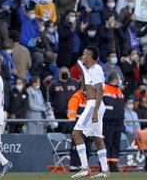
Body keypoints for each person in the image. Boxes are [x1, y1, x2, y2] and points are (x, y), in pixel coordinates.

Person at [71, 46, 109, 178]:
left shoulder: (96, 69)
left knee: (76, 133)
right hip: (93, 104)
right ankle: (105, 171)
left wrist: (95, 112)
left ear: (91, 57)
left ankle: (85, 168)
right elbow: (83, 89)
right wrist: (82, 71)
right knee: (97, 138)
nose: (82, 56)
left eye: (85, 54)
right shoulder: (89, 70)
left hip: (94, 105)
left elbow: (100, 91)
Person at [102, 72, 125, 172]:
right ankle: (104, 165)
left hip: (118, 123)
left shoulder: (118, 90)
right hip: (108, 123)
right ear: (114, 79)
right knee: (106, 145)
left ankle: (113, 165)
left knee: (115, 145)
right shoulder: (105, 89)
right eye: (119, 78)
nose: (120, 80)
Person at [47, 67, 79, 133]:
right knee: (59, 134)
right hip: (58, 114)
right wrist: (50, 116)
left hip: (72, 114)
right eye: (63, 73)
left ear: (69, 73)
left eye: (66, 72)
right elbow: (48, 101)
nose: (65, 74)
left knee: (72, 134)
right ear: (59, 74)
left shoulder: (75, 83)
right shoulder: (53, 84)